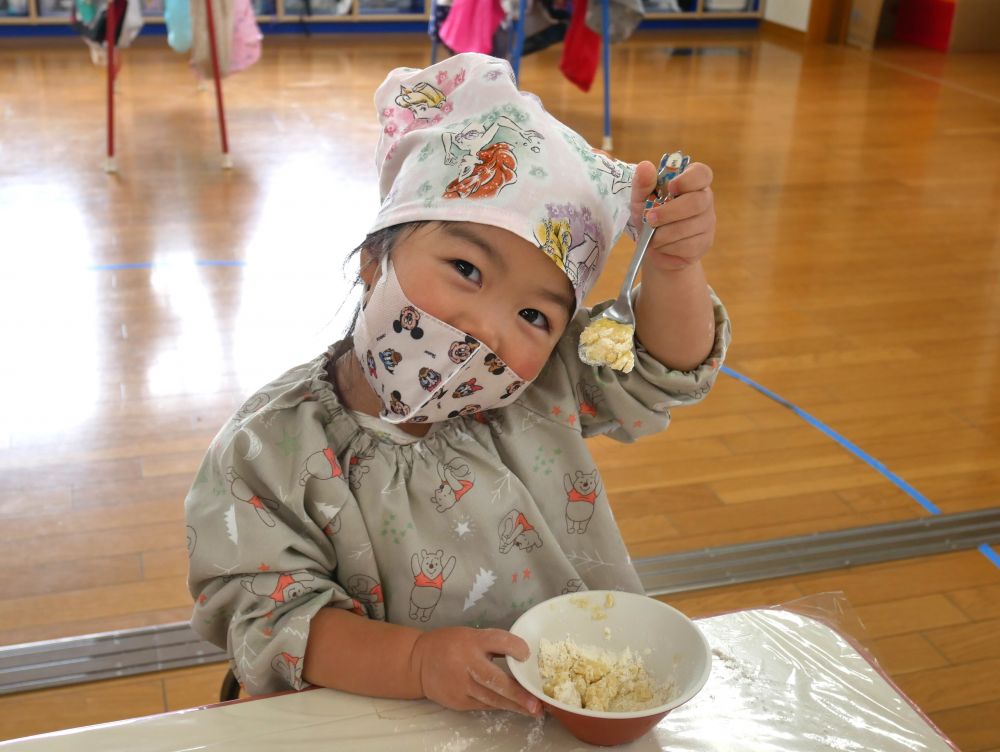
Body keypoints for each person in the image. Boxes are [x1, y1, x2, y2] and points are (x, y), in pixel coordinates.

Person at [185, 52, 731, 719]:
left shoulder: (545, 386)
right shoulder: (268, 449)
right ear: (374, 258)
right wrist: (416, 661)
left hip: (551, 714)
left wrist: (674, 268)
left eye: (534, 316)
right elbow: (269, 616)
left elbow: (660, 366)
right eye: (468, 269)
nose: (487, 328)